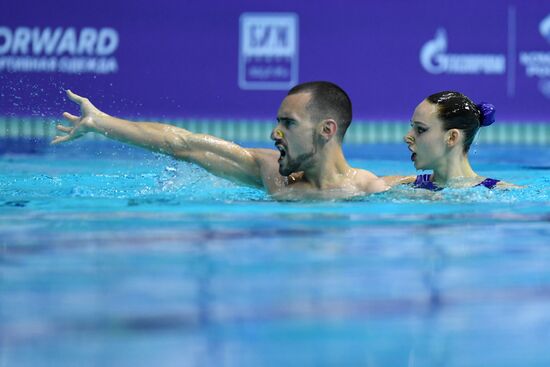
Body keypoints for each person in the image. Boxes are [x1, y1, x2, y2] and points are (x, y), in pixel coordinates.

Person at [52, 81, 389, 200]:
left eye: (288, 123)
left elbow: (431, 186)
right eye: (278, 122)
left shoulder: (366, 189)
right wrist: (102, 122)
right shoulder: (272, 174)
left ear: (326, 130)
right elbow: (183, 144)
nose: (275, 133)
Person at [383, 91, 515, 190]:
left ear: (452, 137)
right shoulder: (400, 185)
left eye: (421, 129)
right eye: (413, 127)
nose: (407, 137)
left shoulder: (501, 192)